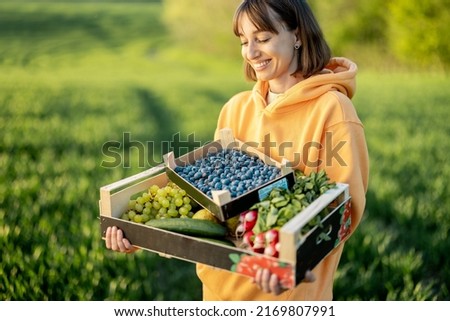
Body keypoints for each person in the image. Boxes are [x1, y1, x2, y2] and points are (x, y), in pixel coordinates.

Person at [106, 0, 369, 300]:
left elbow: (343, 210)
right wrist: (144, 232)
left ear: (297, 35)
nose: (251, 52)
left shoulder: (333, 110)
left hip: (287, 296)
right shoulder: (236, 109)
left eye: (263, 38)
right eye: (244, 41)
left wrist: (289, 258)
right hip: (219, 291)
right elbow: (205, 202)